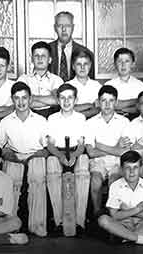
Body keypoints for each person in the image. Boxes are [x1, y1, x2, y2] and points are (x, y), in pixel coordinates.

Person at [0, 82, 49, 237]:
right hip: (15, 156)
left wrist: (33, 157)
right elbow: (0, 148)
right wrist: (10, 155)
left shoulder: (41, 120)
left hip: (35, 156)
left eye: (24, 98)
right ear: (12, 100)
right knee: (12, 176)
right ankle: (11, 223)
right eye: (17, 98)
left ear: (30, 99)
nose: (21, 102)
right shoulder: (6, 121)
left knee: (38, 176)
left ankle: (37, 224)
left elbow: (46, 149)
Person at [98, 151, 143, 246]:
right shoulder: (115, 186)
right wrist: (137, 209)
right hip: (123, 224)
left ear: (141, 169)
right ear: (121, 170)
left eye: (135, 167)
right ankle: (142, 239)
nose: (132, 172)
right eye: (127, 168)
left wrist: (127, 210)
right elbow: (114, 216)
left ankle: (124, 237)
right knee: (103, 220)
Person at [46, 83, 89, 234]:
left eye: (70, 97)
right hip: (58, 152)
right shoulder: (52, 119)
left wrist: (75, 156)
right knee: (52, 168)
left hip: (76, 152)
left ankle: (79, 221)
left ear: (75, 100)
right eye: (63, 98)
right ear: (58, 100)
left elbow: (82, 145)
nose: (66, 101)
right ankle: (59, 221)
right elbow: (50, 145)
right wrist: (60, 156)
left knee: (83, 167)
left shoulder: (81, 118)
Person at [85, 85, 130, 217]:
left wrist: (100, 146)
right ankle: (97, 213)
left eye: (111, 100)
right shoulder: (90, 123)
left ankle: (114, 216)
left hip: (117, 163)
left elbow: (124, 152)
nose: (107, 104)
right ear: (98, 102)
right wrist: (115, 147)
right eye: (103, 100)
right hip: (98, 162)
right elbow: (91, 152)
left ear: (116, 102)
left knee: (114, 182)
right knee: (96, 182)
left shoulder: (124, 122)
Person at [17, 41, 63, 118]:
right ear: (32, 59)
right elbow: (22, 103)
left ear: (50, 60)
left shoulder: (57, 80)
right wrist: (49, 99)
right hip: (28, 118)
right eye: (36, 56)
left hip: (51, 117)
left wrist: (33, 97)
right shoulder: (23, 79)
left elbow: (57, 101)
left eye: (43, 56)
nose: (40, 58)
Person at [49, 11, 95, 81]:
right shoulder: (46, 51)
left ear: (73, 27)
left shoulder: (86, 52)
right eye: (60, 26)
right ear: (55, 28)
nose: (64, 29)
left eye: (67, 26)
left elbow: (90, 82)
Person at [105, 48, 143, 120]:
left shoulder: (140, 85)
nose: (123, 65)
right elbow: (108, 106)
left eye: (127, 61)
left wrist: (120, 106)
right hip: (114, 120)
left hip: (135, 120)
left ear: (133, 64)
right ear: (115, 64)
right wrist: (134, 101)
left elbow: (142, 107)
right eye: (120, 61)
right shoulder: (108, 85)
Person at [68, 49, 101, 118]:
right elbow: (68, 109)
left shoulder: (97, 86)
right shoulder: (67, 86)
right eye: (78, 64)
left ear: (90, 66)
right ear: (73, 67)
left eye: (85, 64)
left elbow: (101, 109)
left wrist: (78, 108)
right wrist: (91, 105)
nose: (82, 67)